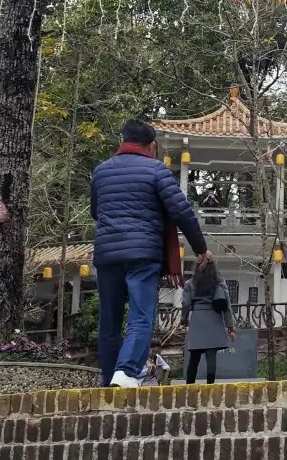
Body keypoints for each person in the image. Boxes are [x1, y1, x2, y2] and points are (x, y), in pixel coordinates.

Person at [91, 119, 207, 386]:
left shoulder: (101, 171)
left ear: (122, 141)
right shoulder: (156, 170)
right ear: (152, 145)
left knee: (109, 321)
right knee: (141, 316)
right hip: (143, 254)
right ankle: (126, 371)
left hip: (107, 254)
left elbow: (96, 211)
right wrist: (200, 248)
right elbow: (181, 211)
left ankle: (109, 378)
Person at [182, 251, 235, 385]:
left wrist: (184, 319)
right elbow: (227, 305)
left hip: (197, 320)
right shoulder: (219, 282)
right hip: (214, 318)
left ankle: (189, 387)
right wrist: (229, 326)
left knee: (194, 356)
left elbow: (186, 304)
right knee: (211, 356)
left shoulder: (190, 283)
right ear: (213, 265)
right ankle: (210, 387)